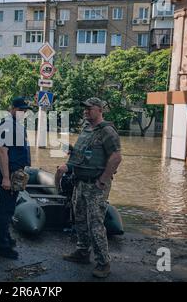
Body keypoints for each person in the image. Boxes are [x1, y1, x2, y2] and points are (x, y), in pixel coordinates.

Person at [57, 97, 122, 278]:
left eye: (89, 109)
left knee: (95, 223)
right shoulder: (86, 129)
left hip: (96, 184)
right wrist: (70, 157)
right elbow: (82, 153)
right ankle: (82, 252)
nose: (85, 111)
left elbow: (116, 157)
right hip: (80, 182)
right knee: (79, 219)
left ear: (99, 109)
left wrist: (102, 180)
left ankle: (103, 263)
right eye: (84, 109)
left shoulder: (107, 131)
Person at [0, 97, 32, 260]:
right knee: (5, 210)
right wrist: (6, 178)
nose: (23, 112)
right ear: (12, 109)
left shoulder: (15, 125)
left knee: (8, 208)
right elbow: (2, 151)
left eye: (25, 110)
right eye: (20, 109)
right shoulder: (8, 125)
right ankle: (1, 246)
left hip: (13, 172)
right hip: (8, 172)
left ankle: (5, 237)